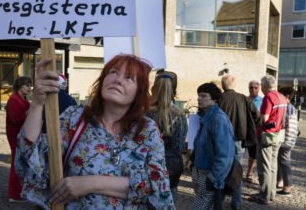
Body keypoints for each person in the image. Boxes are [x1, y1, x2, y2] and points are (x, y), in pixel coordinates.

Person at [14, 54, 174, 209]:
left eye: (129, 78)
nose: (118, 80)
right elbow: (32, 164)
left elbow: (157, 187)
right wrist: (36, 104)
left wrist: (88, 183)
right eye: (113, 72)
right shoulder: (75, 117)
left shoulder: (147, 130)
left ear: (138, 92)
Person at [218, 75, 260, 210]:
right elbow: (257, 115)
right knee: (237, 170)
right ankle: (236, 202)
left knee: (221, 170)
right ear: (233, 85)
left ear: (223, 85)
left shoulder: (219, 99)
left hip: (222, 139)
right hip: (239, 138)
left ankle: (220, 201)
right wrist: (253, 125)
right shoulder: (243, 98)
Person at [191, 82, 235, 210]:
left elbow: (225, 154)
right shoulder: (206, 116)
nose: (199, 98)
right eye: (198, 95)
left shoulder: (218, 118)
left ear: (214, 99)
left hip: (209, 174)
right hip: (200, 172)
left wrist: (214, 178)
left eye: (204, 96)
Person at [147, 71, 188, 203]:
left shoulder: (144, 115)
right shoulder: (180, 116)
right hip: (170, 168)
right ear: (173, 91)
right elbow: (179, 147)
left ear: (154, 89)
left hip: (147, 168)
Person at [252, 75, 287, 205]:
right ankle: (271, 193)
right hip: (279, 135)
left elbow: (264, 119)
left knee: (264, 167)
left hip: (267, 136)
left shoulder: (268, 97)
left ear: (265, 86)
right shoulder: (282, 97)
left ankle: (264, 196)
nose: (261, 89)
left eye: (261, 86)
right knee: (273, 166)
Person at [5, 76, 32, 202]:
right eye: (27, 85)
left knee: (19, 161)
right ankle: (14, 194)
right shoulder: (13, 99)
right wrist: (28, 113)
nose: (29, 88)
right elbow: (16, 118)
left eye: (29, 85)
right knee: (16, 163)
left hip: (20, 134)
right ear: (20, 85)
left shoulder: (22, 98)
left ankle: (19, 190)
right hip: (14, 134)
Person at [276, 87, 299, 197]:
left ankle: (287, 188)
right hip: (289, 139)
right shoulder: (292, 108)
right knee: (281, 162)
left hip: (286, 140)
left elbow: (284, 124)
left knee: (285, 163)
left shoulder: (287, 108)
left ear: (287, 97)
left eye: (281, 95)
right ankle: (280, 182)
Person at [245, 80, 263, 183]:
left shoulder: (262, 100)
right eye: (251, 87)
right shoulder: (245, 99)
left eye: (255, 87)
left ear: (259, 88)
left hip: (256, 131)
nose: (253, 89)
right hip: (245, 129)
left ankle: (249, 173)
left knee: (253, 155)